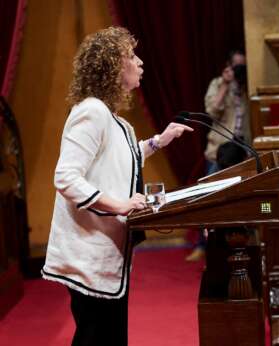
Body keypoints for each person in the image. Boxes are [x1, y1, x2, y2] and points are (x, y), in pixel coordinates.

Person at [41, 27, 193, 345]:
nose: (140, 63)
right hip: (87, 253)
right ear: (114, 66)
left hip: (106, 251)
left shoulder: (113, 119)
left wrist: (159, 141)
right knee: (95, 336)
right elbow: (66, 177)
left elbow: (121, 159)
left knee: (109, 337)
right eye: (132, 57)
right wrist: (119, 204)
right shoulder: (91, 112)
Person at [185, 50, 249, 261]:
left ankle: (243, 242)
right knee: (207, 196)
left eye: (243, 66)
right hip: (219, 150)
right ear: (228, 65)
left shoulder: (249, 84)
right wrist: (225, 83)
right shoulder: (218, 83)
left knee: (243, 200)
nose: (239, 70)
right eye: (236, 66)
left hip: (245, 151)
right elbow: (211, 110)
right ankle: (203, 245)